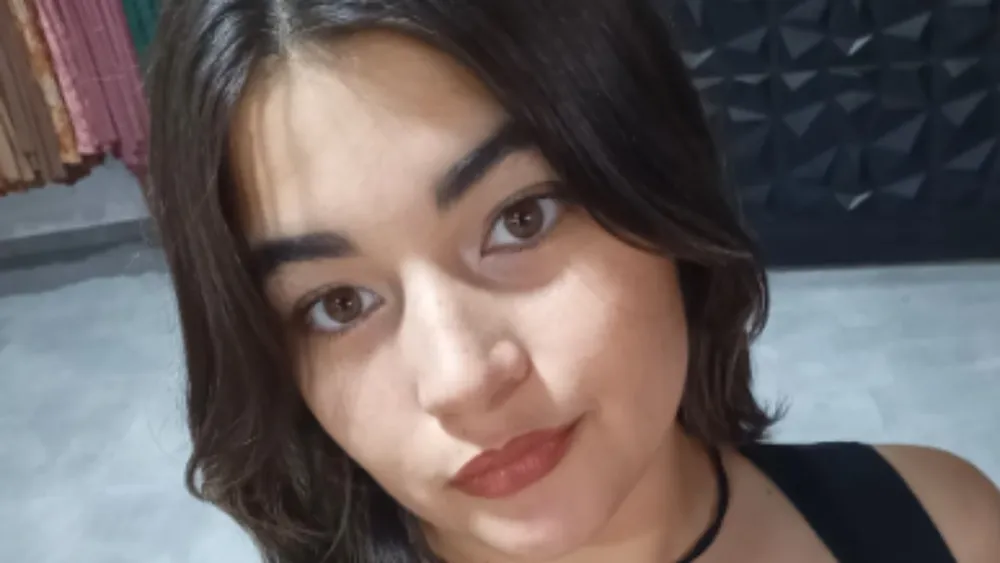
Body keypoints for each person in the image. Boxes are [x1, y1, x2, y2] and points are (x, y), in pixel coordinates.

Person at [145, 1, 1000, 562]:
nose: (461, 378)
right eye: (338, 304)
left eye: (521, 218)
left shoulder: (941, 529)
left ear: (657, 181)